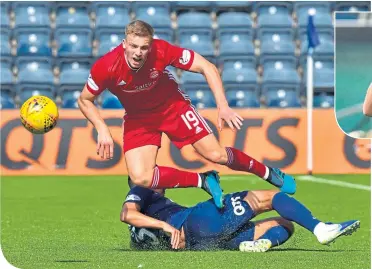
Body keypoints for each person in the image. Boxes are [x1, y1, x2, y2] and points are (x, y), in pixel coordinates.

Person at [78, 20, 296, 208]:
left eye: (144, 47)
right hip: (139, 118)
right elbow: (84, 99)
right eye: (133, 46)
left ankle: (268, 173)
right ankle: (203, 180)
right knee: (140, 177)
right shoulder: (106, 66)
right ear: (124, 44)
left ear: (150, 45)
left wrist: (223, 105)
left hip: (172, 107)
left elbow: (206, 66)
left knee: (216, 155)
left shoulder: (161, 51)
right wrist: (102, 129)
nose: (138, 53)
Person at [121, 178, 360, 251]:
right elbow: (127, 214)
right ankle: (321, 229)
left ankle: (258, 243)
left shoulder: (154, 207)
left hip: (205, 242)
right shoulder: (141, 188)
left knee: (286, 224)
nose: (158, 175)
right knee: (267, 197)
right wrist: (167, 227)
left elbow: (137, 227)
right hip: (197, 222)